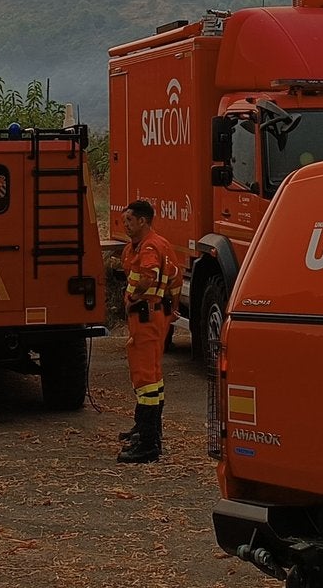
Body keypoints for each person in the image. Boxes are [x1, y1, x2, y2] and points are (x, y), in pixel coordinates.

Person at [116, 197, 180, 464]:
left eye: (129, 221)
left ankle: (148, 443)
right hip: (156, 316)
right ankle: (145, 430)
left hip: (145, 317)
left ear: (143, 220)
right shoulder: (158, 243)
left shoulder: (149, 247)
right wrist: (172, 309)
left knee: (145, 379)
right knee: (152, 376)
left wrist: (133, 297)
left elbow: (149, 274)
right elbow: (175, 278)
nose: (125, 225)